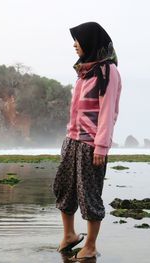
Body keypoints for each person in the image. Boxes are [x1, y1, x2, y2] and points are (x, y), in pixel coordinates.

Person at [52, 21, 122, 261]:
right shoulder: (83, 71)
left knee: (89, 195)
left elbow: (108, 111)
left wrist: (101, 145)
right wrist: (68, 138)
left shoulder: (107, 71)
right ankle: (70, 235)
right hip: (72, 140)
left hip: (92, 145)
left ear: (90, 41)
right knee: (64, 189)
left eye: (78, 39)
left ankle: (90, 245)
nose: (75, 44)